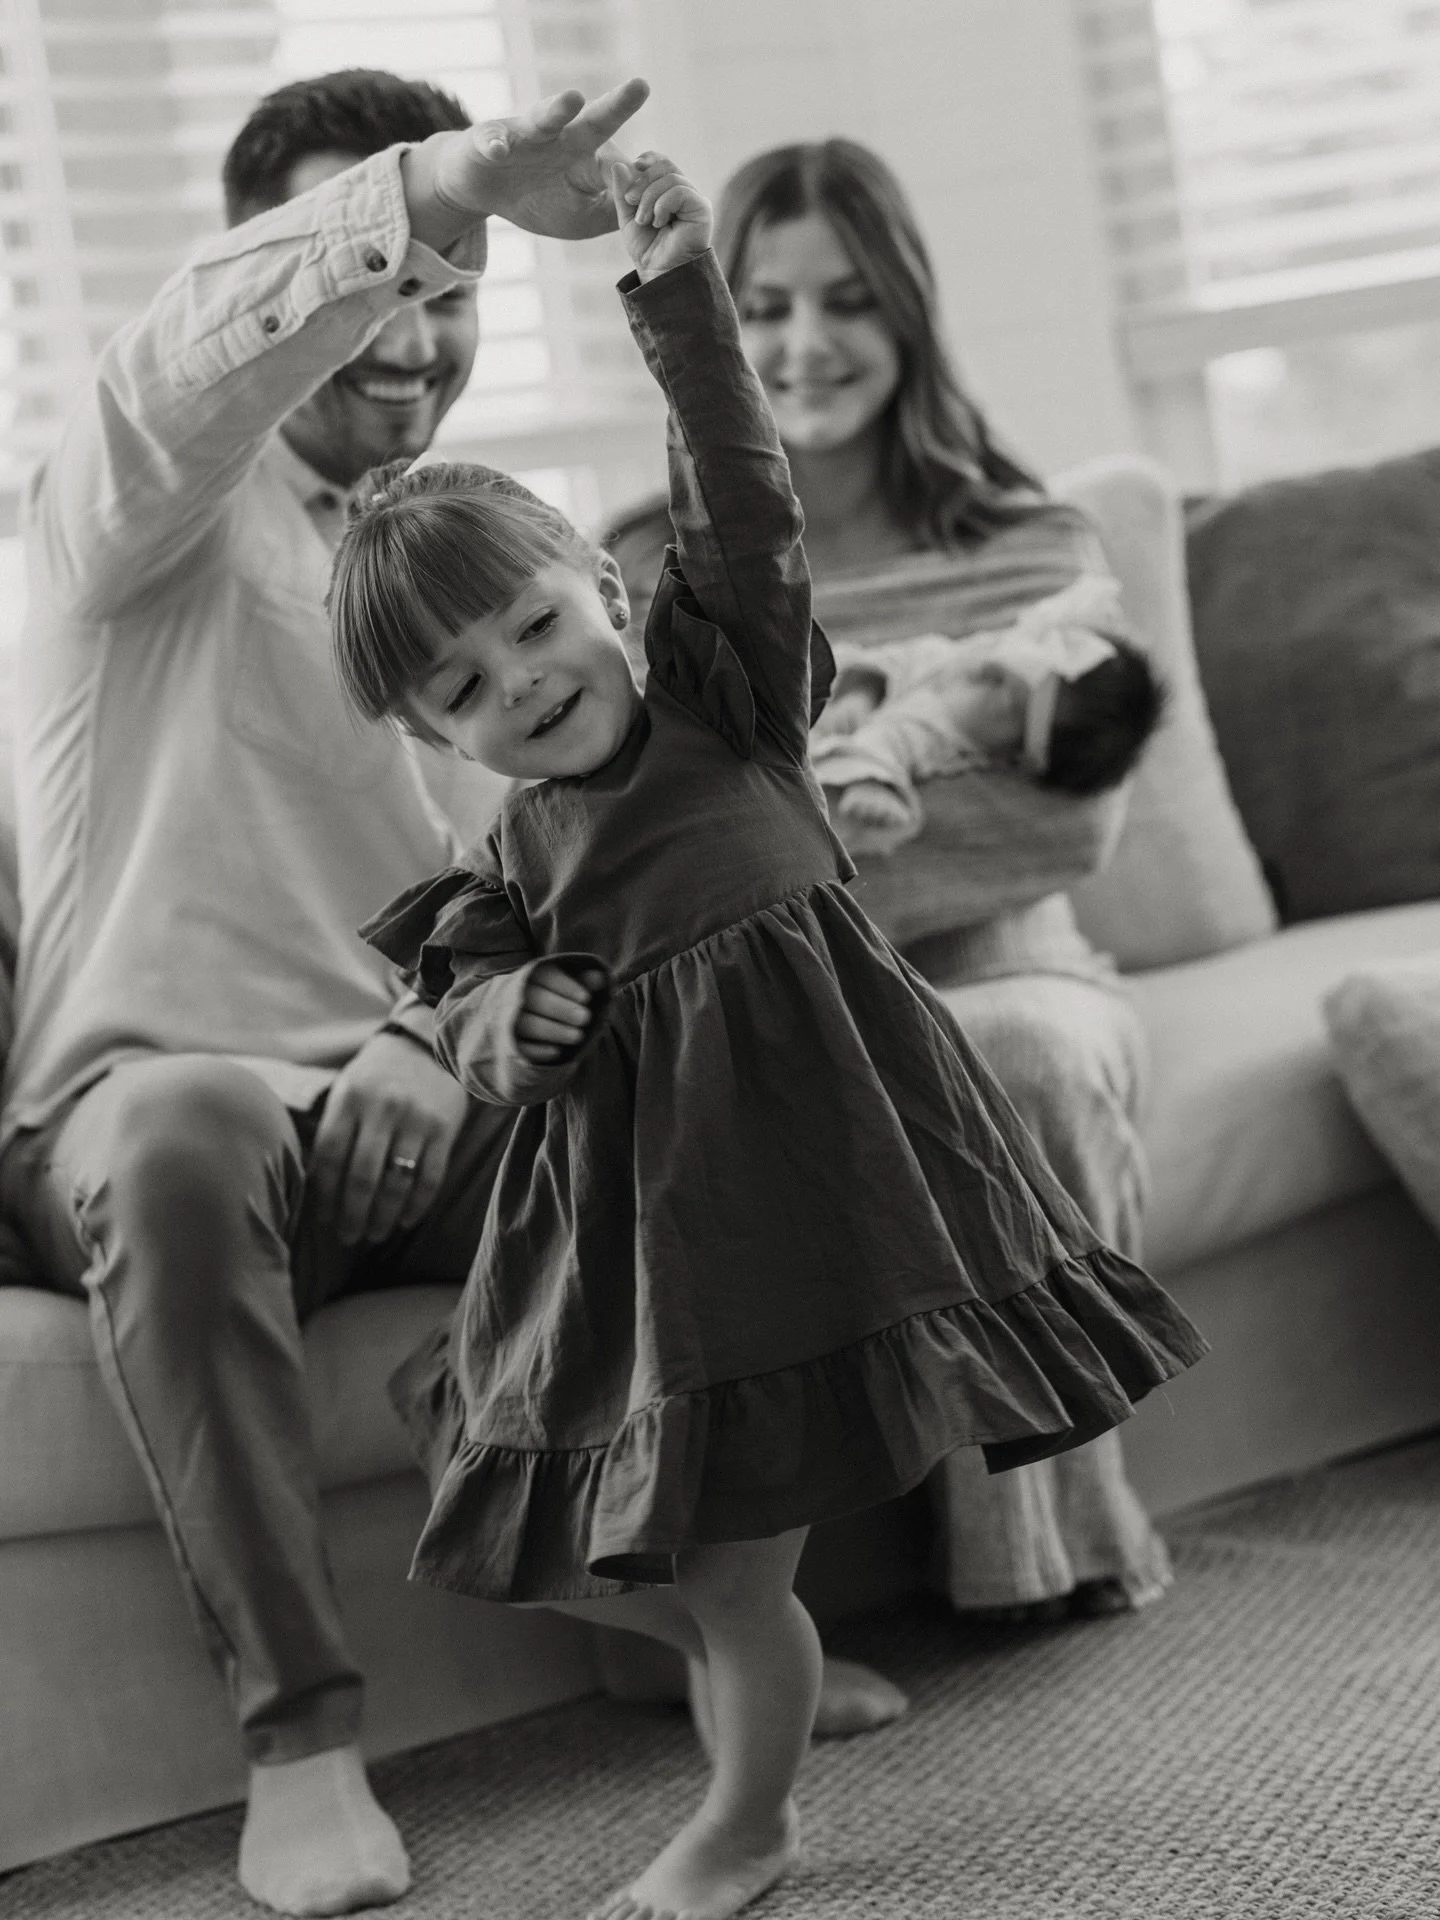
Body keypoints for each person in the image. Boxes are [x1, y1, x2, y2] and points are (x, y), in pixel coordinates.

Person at [329, 153, 1205, 1920]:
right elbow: (462, 1009)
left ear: (604, 582)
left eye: (534, 626)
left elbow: (739, 489)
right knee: (626, 1549)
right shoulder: (506, 854)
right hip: (660, 1256)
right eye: (465, 689)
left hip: (820, 1201)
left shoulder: (726, 697)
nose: (522, 683)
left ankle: (743, 1819)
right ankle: (746, 1726)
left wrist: (676, 288)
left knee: (738, 1587)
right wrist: (511, 1013)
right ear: (435, 731)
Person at [0, 67, 654, 1918]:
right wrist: (438, 192)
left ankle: (692, 1616)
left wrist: (439, 1037)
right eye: (388, 283)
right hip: (151, 1121)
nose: (418, 334)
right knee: (192, 1122)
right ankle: (299, 1749)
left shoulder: (456, 572)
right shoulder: (126, 513)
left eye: (454, 295)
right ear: (272, 271)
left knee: (656, 1068)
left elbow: (538, 889)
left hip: (404, 1106)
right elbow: (193, 364)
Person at [607, 136, 1176, 1624]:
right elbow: (636, 851)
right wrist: (907, 798)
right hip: (775, 1015)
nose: (805, 343)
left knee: (1015, 1056)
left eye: (847, 300)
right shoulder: (645, 562)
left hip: (1016, 965)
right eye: (766, 304)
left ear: (910, 311)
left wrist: (785, 844)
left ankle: (1046, 1562)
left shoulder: (1031, 540)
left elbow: (1068, 835)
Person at [812, 574, 1164, 853]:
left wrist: (874, 783)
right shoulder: (958, 661)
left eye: (1006, 698)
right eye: (1017, 652)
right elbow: (896, 660)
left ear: (1014, 756)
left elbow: (895, 739)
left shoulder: (946, 737)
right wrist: (861, 693)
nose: (992, 668)